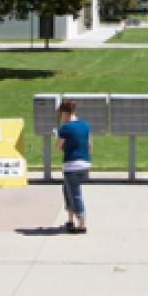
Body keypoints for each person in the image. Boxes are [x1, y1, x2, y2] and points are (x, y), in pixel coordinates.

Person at [55, 99, 91, 233]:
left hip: (71, 165)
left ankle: (82, 224)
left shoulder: (65, 128)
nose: (60, 117)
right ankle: (70, 220)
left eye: (61, 114)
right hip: (85, 163)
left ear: (65, 113)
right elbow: (89, 145)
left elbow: (57, 147)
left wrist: (62, 142)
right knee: (67, 190)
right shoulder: (85, 125)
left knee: (74, 193)